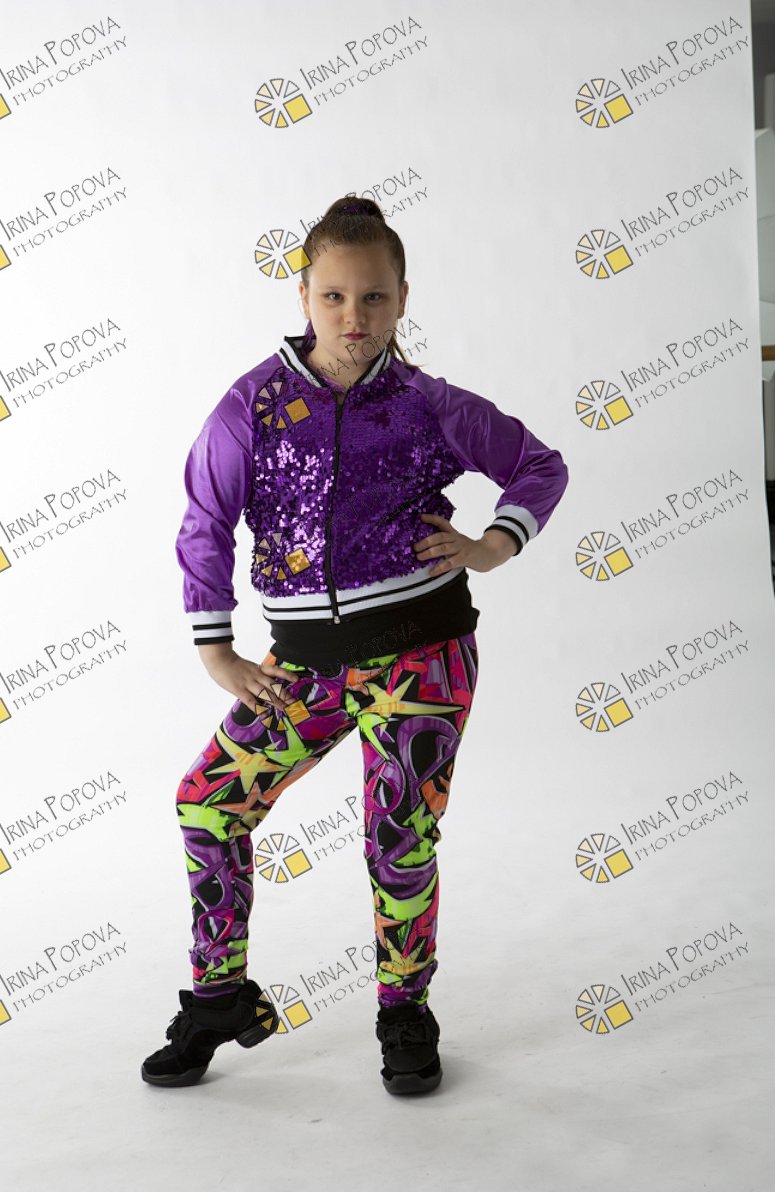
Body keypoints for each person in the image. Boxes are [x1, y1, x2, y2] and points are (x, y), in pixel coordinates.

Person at [140, 195, 569, 1095]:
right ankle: (217, 996)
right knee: (208, 804)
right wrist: (218, 650)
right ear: (303, 296)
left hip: (424, 655)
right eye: (334, 296)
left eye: (373, 297)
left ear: (402, 298)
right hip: (304, 667)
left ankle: (403, 1010)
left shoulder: (428, 404)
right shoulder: (251, 407)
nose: (354, 317)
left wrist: (494, 544)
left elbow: (539, 463)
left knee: (397, 834)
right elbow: (205, 520)